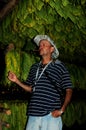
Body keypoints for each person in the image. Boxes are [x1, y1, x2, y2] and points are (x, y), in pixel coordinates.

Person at [7, 35, 73, 130]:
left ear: (51, 49)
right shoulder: (34, 67)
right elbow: (31, 89)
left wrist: (62, 110)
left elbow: (69, 89)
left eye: (44, 44)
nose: (40, 46)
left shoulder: (60, 66)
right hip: (33, 115)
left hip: (51, 116)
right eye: (40, 45)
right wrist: (16, 81)